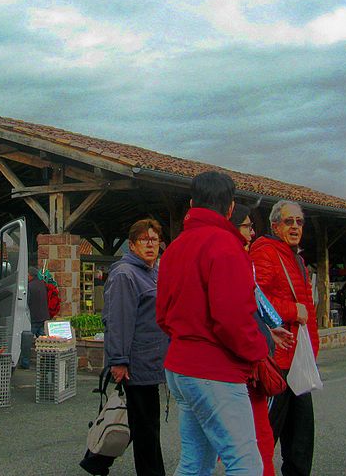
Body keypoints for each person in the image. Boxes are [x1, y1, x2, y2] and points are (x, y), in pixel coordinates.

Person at [156, 172, 268, 475]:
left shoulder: (174, 249)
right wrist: (258, 350)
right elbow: (231, 320)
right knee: (245, 463)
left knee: (195, 463)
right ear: (231, 209)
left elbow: (163, 316)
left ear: (192, 203)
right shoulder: (227, 247)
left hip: (179, 368)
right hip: (213, 370)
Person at [81, 218, 169, 476]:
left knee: (136, 420)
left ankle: (95, 461)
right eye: (144, 240)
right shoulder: (124, 274)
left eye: (154, 240)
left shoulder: (153, 272)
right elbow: (118, 319)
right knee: (146, 427)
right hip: (136, 361)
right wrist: (119, 360)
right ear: (131, 245)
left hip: (151, 360)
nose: (151, 245)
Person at [250, 200, 319, 476]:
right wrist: (292, 310)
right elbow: (255, 297)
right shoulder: (265, 252)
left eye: (299, 222)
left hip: (298, 361)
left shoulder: (297, 259)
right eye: (288, 221)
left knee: (301, 441)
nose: (294, 227)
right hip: (276, 362)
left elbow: (307, 309)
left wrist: (313, 349)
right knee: (265, 439)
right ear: (275, 224)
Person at [230, 203, 293, 476]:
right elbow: (243, 306)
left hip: (252, 356)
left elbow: (255, 298)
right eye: (247, 226)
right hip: (246, 364)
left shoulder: (243, 258)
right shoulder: (236, 260)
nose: (252, 233)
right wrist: (262, 338)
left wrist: (271, 327)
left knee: (257, 437)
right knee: (255, 438)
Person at [19, 266, 50, 370]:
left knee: (26, 342)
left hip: (33, 318)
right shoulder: (42, 284)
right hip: (43, 316)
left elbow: (26, 302)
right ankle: (47, 363)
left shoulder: (29, 286)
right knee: (44, 344)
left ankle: (25, 363)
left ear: (30, 275)